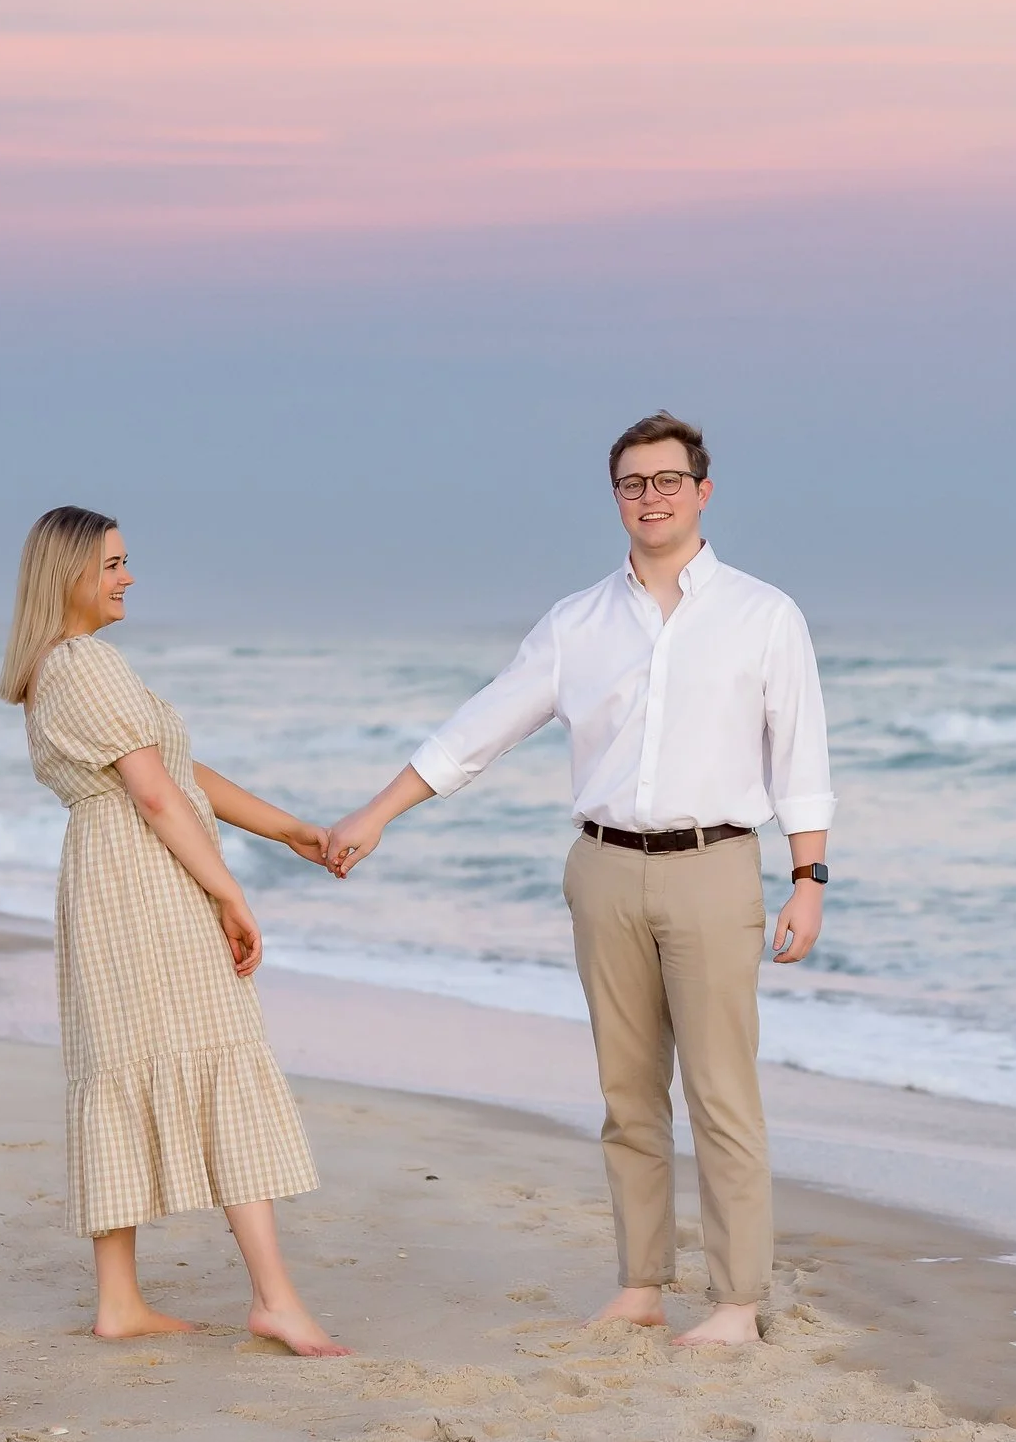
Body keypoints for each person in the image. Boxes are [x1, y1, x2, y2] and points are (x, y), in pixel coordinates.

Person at [324, 412, 834, 1346]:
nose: (652, 496)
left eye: (668, 479)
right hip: (602, 869)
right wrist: (377, 812)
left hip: (716, 867)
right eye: (634, 483)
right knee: (627, 1094)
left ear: (703, 490)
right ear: (616, 497)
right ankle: (641, 1284)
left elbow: (801, 754)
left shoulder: (765, 614)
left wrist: (810, 877)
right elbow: (479, 729)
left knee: (722, 1092)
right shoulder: (576, 624)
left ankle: (735, 1302)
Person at [0, 505, 347, 1356]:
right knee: (221, 1054)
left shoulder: (56, 667)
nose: (128, 577)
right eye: (113, 563)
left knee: (116, 1066)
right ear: (70, 574)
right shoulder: (88, 661)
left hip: (107, 878)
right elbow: (155, 795)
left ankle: (120, 1299)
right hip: (145, 880)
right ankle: (274, 1298)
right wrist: (229, 892)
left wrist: (289, 831)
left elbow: (179, 773)